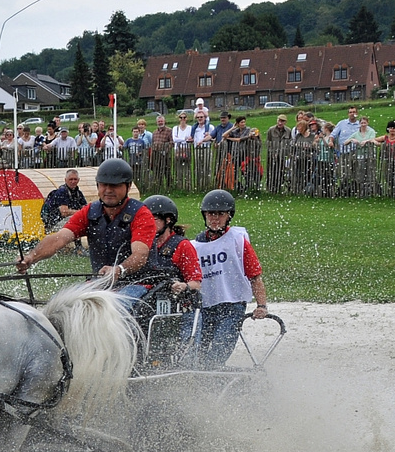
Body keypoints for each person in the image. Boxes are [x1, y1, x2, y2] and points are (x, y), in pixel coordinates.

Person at [15, 157, 155, 301]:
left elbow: (140, 255)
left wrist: (119, 270)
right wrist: (31, 257)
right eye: (103, 185)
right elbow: (59, 238)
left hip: (138, 284)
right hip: (101, 283)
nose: (108, 190)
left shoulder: (141, 214)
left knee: (114, 308)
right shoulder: (90, 212)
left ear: (128, 186)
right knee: (61, 303)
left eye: (114, 186)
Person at [186, 189, 268, 367]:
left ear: (228, 216)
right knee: (197, 353)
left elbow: (255, 276)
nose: (215, 218)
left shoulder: (238, 240)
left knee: (218, 351)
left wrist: (261, 306)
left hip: (232, 305)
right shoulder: (195, 245)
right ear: (204, 215)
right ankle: (202, 381)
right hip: (205, 306)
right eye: (211, 214)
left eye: (220, 214)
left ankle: (212, 378)